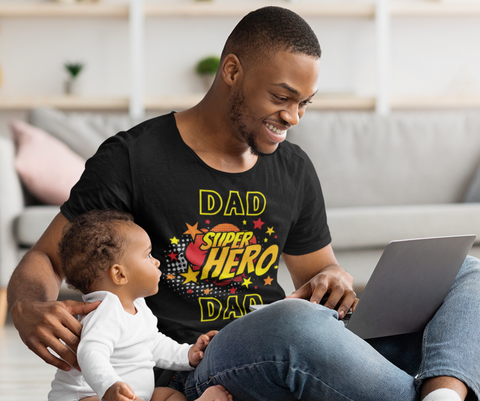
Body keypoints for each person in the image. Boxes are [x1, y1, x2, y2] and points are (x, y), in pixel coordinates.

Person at [7, 5, 480, 401]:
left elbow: (318, 278)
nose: (293, 117)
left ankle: (441, 394)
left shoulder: (293, 168)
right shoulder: (133, 157)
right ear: (232, 70)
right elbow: (47, 256)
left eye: (305, 104)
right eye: (282, 97)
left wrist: (333, 279)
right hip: (199, 365)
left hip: (296, 342)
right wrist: (27, 308)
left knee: (466, 271)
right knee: (294, 325)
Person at [48, 209, 232, 401]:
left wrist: (187, 354)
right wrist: (109, 387)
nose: (156, 262)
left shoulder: (138, 306)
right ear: (120, 275)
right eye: (148, 256)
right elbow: (90, 352)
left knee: (168, 395)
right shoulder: (105, 311)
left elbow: (153, 343)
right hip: (88, 395)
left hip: (135, 395)